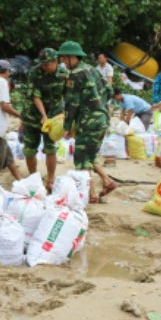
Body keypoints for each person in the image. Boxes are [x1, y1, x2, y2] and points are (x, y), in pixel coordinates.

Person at [58, 41, 116, 203]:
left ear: (71, 57)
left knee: (81, 160)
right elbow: (109, 90)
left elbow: (72, 103)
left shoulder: (75, 74)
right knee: (88, 156)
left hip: (88, 121)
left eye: (63, 58)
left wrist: (67, 126)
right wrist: (99, 105)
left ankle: (91, 194)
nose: (62, 62)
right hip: (102, 119)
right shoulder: (93, 70)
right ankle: (104, 182)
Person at [21, 48, 66, 190]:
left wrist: (67, 117)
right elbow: (35, 95)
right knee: (29, 149)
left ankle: (50, 179)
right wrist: (43, 115)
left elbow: (69, 95)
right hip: (33, 115)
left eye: (47, 64)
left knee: (50, 148)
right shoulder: (34, 72)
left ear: (56, 62)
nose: (44, 67)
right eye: (42, 64)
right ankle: (33, 177)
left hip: (55, 116)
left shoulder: (64, 74)